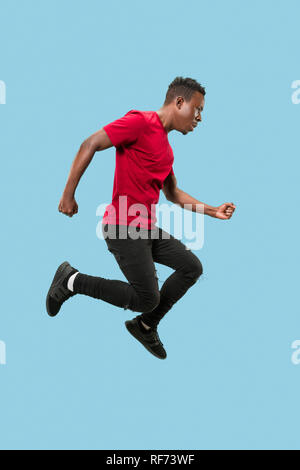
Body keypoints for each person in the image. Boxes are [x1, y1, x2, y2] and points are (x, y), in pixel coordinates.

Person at [46, 76, 236, 360]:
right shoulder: (140, 122)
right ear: (179, 102)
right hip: (123, 227)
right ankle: (71, 280)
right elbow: (91, 143)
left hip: (146, 228)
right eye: (197, 110)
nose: (199, 118)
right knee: (147, 298)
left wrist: (212, 210)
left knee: (191, 267)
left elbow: (172, 194)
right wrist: (68, 194)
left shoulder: (167, 151)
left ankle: (146, 326)